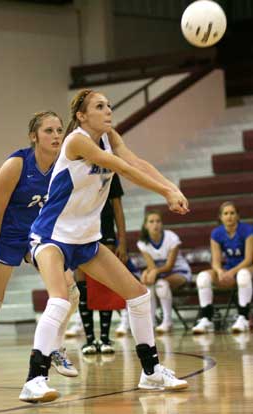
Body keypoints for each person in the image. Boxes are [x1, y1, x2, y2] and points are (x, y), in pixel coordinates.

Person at [19, 89, 189, 404]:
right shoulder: (77, 140)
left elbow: (135, 161)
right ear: (82, 115)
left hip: (86, 239)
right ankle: (34, 379)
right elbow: (122, 169)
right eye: (99, 106)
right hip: (52, 236)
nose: (108, 110)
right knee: (59, 300)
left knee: (138, 295)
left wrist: (170, 185)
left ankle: (151, 372)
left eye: (109, 105)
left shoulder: (109, 135)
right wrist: (165, 193)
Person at [0, 111, 79, 391]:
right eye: (49, 131)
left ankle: (54, 349)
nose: (56, 136)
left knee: (69, 291)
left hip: (39, 232)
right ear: (34, 136)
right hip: (7, 233)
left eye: (59, 130)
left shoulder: (64, 164)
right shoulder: (16, 164)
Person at [67, 173, 127, 354]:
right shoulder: (71, 166)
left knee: (105, 283)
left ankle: (105, 338)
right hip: (78, 231)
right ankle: (90, 340)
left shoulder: (108, 168)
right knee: (82, 283)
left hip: (105, 230)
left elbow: (117, 207)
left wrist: (122, 241)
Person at [192, 201, 253, 334]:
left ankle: (243, 317)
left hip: (247, 268)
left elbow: (248, 259)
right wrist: (220, 271)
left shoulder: (247, 230)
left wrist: (231, 272)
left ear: (238, 215)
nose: (229, 216)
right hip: (230, 269)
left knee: (243, 275)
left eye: (232, 213)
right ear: (220, 217)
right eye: (226, 213)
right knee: (202, 277)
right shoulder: (216, 233)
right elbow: (215, 261)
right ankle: (206, 318)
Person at [137, 210, 192, 333]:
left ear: (162, 224)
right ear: (145, 225)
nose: (155, 224)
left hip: (179, 271)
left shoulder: (172, 238)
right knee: (148, 286)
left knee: (161, 285)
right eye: (151, 221)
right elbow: (152, 266)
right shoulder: (142, 243)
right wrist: (147, 272)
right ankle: (151, 321)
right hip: (161, 274)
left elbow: (169, 266)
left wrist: (152, 272)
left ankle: (167, 321)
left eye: (158, 221)